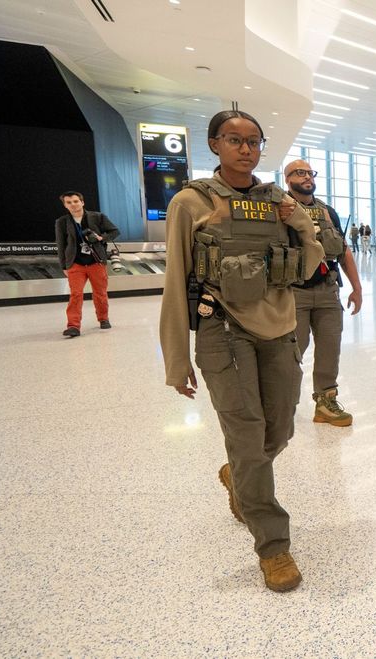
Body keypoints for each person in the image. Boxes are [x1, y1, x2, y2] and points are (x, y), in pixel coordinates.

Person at [159, 110, 324, 592]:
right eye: (235, 140)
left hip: (279, 326)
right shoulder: (191, 202)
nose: (246, 149)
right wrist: (175, 357)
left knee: (280, 427)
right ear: (215, 144)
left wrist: (301, 225)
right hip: (221, 328)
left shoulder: (277, 201)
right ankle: (273, 546)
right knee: (249, 433)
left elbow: (308, 265)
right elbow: (174, 280)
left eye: (254, 141)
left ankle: (238, 473)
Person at [283, 159, 363, 426]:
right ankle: (281, 404)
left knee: (330, 346)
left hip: (328, 289)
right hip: (293, 292)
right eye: (299, 172)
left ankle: (326, 401)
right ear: (288, 179)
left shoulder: (327, 212)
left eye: (309, 172)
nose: (307, 177)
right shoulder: (279, 210)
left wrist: (357, 288)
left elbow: (343, 250)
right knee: (291, 350)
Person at [55, 191, 120, 337]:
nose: (73, 204)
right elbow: (61, 245)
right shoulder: (62, 222)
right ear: (65, 205)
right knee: (76, 294)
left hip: (96, 261)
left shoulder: (98, 217)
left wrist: (100, 237)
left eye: (75, 201)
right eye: (69, 202)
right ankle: (73, 326)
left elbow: (115, 231)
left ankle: (103, 318)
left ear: (82, 202)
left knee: (100, 293)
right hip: (75, 263)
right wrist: (64, 266)